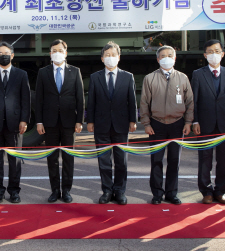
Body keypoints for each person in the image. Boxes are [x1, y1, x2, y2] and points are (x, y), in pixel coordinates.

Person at [140, 45, 193, 205]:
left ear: (175, 58)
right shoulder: (150, 78)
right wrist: (146, 123)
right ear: (158, 59)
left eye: (170, 55)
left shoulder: (182, 78)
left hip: (177, 124)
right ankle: (157, 194)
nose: (166, 58)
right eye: (163, 55)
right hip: (157, 125)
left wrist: (188, 121)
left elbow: (190, 101)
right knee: (156, 161)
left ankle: (171, 193)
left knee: (174, 160)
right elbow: (144, 103)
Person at [191, 39, 225, 205]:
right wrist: (195, 121)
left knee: (224, 159)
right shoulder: (198, 74)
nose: (214, 54)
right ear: (205, 55)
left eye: (217, 51)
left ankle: (220, 191)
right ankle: (206, 191)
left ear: (222, 54)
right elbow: (194, 101)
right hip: (205, 124)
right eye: (210, 52)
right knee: (205, 159)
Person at [87, 41, 137, 205]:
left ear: (119, 57)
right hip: (101, 124)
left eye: (113, 55)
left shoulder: (128, 76)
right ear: (102, 59)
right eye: (107, 55)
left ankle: (120, 191)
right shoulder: (95, 77)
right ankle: (107, 191)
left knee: (121, 160)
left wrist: (132, 120)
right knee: (104, 161)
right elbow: (91, 101)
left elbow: (132, 100)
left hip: (121, 124)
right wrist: (90, 121)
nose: (110, 58)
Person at [36, 39, 85, 203]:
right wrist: (39, 121)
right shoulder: (43, 72)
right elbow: (39, 99)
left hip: (69, 122)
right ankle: (55, 190)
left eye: (60, 50)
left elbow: (80, 98)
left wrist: (80, 121)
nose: (57, 53)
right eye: (53, 50)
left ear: (66, 52)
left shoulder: (75, 71)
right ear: (50, 54)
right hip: (49, 122)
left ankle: (67, 190)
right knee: (52, 158)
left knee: (68, 158)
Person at [0, 41, 31, 204]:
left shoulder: (21, 74)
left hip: (15, 124)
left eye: (7, 53)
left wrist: (24, 119)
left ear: (12, 55)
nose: (4, 56)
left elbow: (26, 99)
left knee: (14, 161)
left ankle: (14, 191)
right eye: (0, 53)